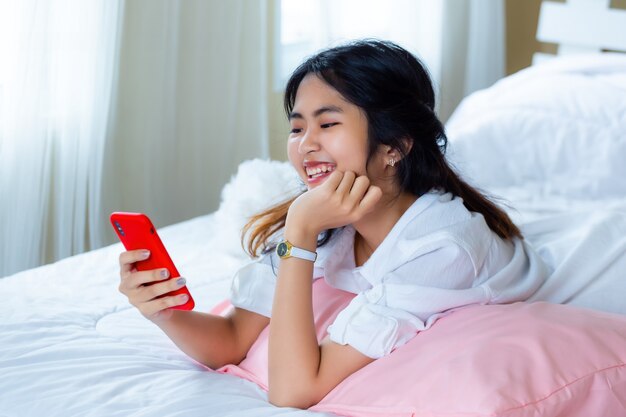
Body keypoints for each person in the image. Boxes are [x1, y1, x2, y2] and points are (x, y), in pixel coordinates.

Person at [118, 39, 548, 409]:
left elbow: (293, 390)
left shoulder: (440, 248)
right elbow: (232, 338)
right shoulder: (328, 217)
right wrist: (163, 312)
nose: (306, 145)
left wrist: (299, 235)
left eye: (327, 124)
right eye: (297, 128)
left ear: (394, 146)